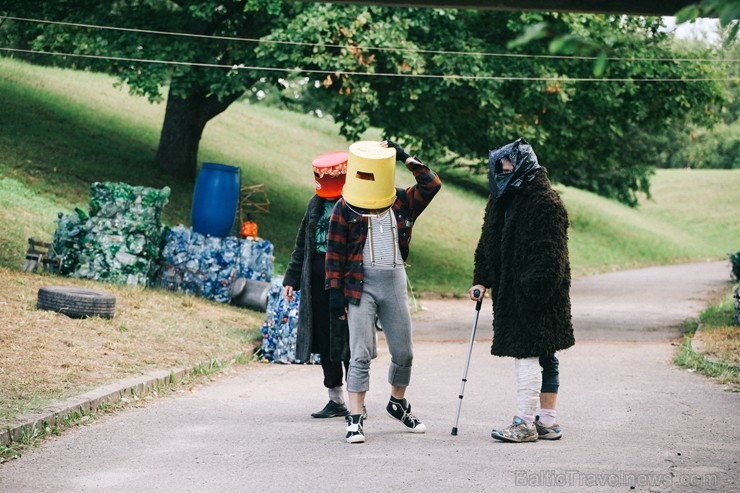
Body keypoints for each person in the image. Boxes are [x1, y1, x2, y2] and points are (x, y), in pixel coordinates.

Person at [325, 140, 442, 444]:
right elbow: (333, 254)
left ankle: (397, 403)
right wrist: (336, 296)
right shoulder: (344, 207)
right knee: (360, 353)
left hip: (394, 283)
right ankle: (354, 419)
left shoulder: (402, 202)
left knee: (404, 353)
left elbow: (432, 184)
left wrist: (404, 157)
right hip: (359, 286)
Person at [469, 138, 575, 443]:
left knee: (530, 353)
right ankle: (548, 422)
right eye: (500, 166)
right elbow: (486, 243)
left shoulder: (546, 202)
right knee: (540, 352)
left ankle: (526, 422)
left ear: (523, 166)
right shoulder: (500, 200)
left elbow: (550, 254)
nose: (503, 171)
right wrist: (481, 279)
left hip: (536, 293)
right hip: (512, 290)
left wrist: (531, 291)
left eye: (508, 166)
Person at [283, 151, 352, 419]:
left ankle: (358, 401)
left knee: (346, 340)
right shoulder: (315, 204)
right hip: (315, 285)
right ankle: (336, 400)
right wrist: (292, 278)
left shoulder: (353, 204)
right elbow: (302, 243)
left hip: (343, 285)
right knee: (324, 341)